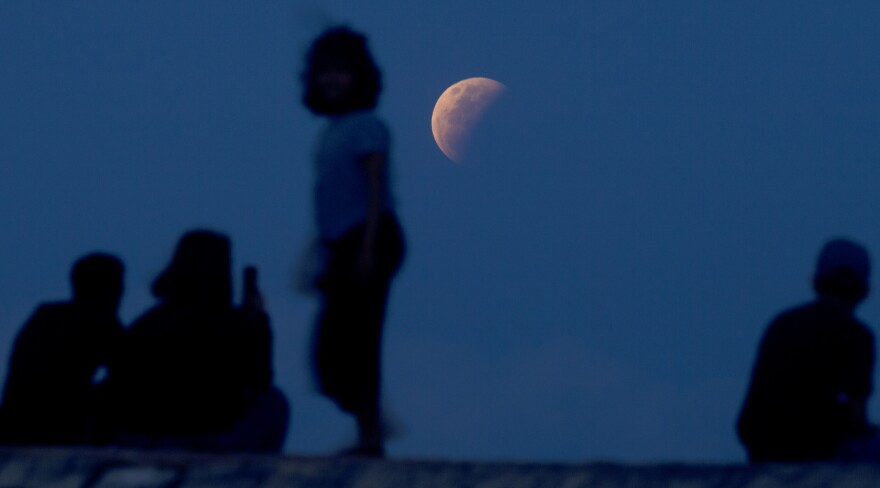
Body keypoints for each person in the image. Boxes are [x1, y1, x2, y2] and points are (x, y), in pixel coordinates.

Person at [301, 26, 406, 457]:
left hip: (370, 239)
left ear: (359, 77)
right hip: (342, 242)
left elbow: (375, 188)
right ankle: (372, 422)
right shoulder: (335, 129)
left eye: (341, 72)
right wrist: (317, 250)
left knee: (358, 339)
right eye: (324, 72)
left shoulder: (367, 126)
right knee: (333, 348)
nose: (331, 80)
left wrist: (366, 249)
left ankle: (371, 435)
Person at [105, 229, 288, 452]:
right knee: (274, 401)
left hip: (141, 435)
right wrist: (259, 324)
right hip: (210, 436)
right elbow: (259, 379)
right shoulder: (234, 323)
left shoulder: (147, 323)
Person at [736, 238, 874, 462]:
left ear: (818, 282)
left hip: (762, 443)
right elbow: (857, 419)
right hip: (815, 448)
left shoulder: (782, 323)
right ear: (863, 290)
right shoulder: (857, 336)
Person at [0, 253, 124, 446]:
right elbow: (130, 373)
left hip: (20, 427)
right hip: (50, 429)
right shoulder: (98, 323)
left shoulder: (45, 318)